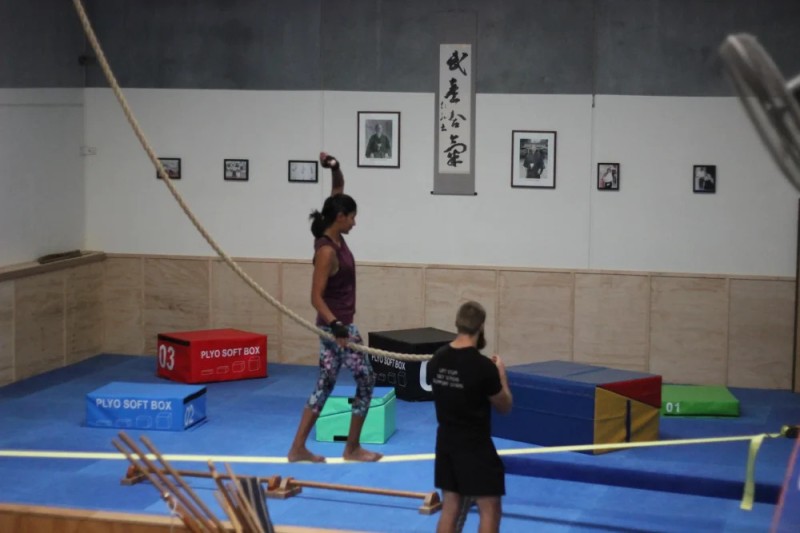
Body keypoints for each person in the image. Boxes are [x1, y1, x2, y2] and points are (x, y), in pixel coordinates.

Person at [287, 151, 382, 463]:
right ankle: (351, 448)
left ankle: (298, 447)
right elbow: (316, 297)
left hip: (336, 327)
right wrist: (337, 326)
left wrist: (336, 168)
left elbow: (338, 189)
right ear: (340, 217)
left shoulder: (334, 229)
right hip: (337, 328)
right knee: (366, 380)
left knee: (325, 385)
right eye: (352, 216)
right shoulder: (327, 251)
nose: (355, 221)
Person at [427, 301, 513, 533]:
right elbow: (504, 405)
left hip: (445, 441)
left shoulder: (437, 359)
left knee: (450, 507)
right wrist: (501, 376)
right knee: (490, 508)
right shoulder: (483, 367)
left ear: (457, 324)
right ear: (481, 326)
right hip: (474, 445)